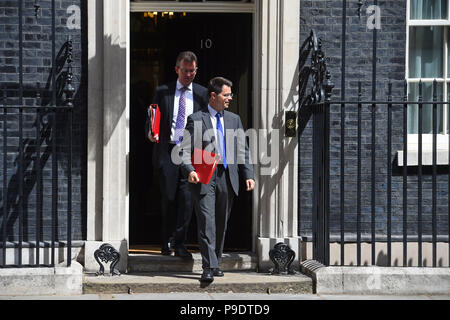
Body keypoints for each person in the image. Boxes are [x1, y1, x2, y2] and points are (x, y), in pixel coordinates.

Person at [181, 77, 255, 282]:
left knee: (221, 222)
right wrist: (189, 170)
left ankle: (216, 261)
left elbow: (243, 149)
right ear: (213, 96)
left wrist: (248, 174)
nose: (230, 98)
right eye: (226, 94)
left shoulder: (234, 119)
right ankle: (208, 266)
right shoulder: (196, 119)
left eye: (230, 94)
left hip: (227, 176)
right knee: (207, 221)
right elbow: (184, 150)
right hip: (204, 176)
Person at [146, 51, 209, 258]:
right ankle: (166, 242)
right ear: (177, 69)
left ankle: (180, 244)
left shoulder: (202, 93)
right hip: (168, 150)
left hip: (191, 153)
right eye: (185, 71)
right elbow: (153, 115)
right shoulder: (163, 91)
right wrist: (151, 131)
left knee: (187, 200)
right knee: (169, 198)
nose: (189, 74)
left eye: (192, 71)